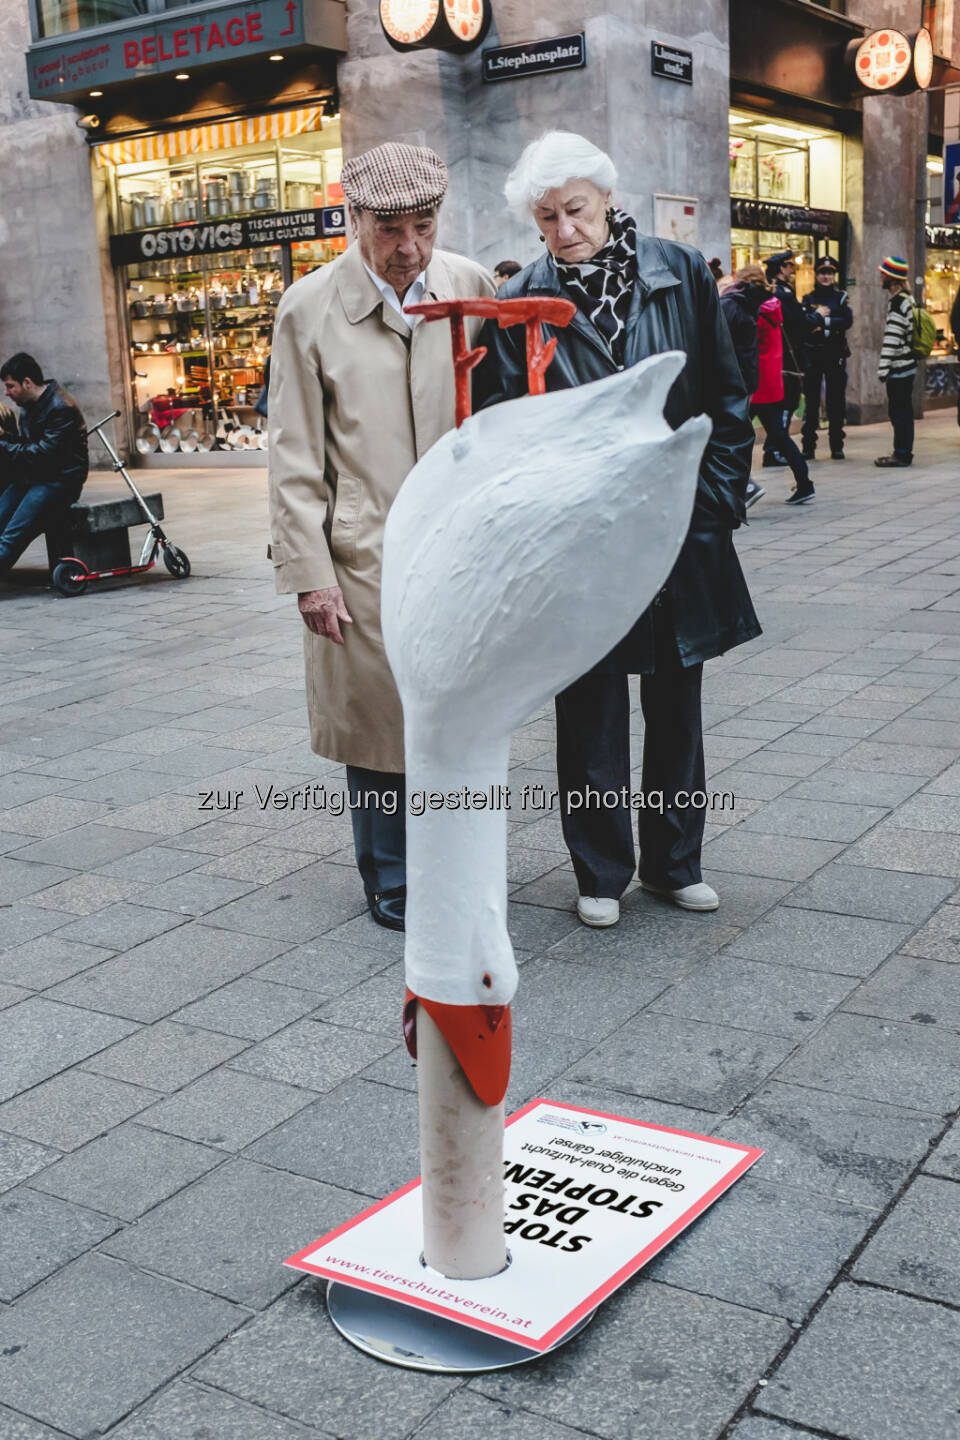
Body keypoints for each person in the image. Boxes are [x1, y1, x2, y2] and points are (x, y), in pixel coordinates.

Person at [473, 131, 760, 926]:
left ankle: (675, 863)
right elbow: (499, 422)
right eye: (546, 217)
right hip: (581, 540)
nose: (564, 229)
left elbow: (724, 398)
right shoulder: (521, 299)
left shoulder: (679, 274)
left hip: (676, 528)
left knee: (676, 703)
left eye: (575, 209)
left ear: (606, 198)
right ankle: (600, 872)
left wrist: (716, 503)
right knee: (590, 708)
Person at [267, 142, 495, 931]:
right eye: (390, 229)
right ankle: (390, 874)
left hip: (458, 543)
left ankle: (454, 855)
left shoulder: (469, 285)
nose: (409, 249)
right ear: (353, 217)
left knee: (456, 708)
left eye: (424, 227)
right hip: (364, 547)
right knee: (376, 718)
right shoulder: (307, 307)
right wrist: (308, 571)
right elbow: (293, 454)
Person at [0, 353, 88, 575]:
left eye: (10, 386)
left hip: (60, 482)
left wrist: (2, 443)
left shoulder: (60, 408)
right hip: (36, 477)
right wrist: (5, 437)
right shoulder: (30, 404)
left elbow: (41, 455)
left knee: (12, 536)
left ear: (27, 382)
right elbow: (27, 446)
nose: (6, 393)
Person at [753, 292, 814, 505]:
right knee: (779, 434)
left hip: (756, 382)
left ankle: (744, 487)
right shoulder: (775, 311)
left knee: (735, 435)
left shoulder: (756, 315)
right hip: (773, 381)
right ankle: (804, 483)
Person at [762, 250, 821, 469]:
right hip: (788, 360)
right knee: (786, 404)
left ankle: (774, 448)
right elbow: (798, 323)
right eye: (789, 266)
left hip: (777, 359)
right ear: (781, 269)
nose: (791, 270)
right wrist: (818, 317)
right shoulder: (783, 294)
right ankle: (774, 449)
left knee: (779, 405)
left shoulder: (770, 292)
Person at [720, 262, 771, 508]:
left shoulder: (731, 304)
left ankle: (745, 486)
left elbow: (718, 341)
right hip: (745, 379)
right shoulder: (750, 303)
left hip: (730, 380)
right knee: (734, 434)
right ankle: (743, 486)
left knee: (724, 436)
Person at [801, 256, 853, 461]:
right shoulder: (808, 298)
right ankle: (808, 447)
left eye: (830, 273)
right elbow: (804, 324)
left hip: (835, 355)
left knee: (835, 402)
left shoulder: (840, 298)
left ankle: (836, 446)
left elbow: (847, 321)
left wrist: (823, 321)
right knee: (811, 402)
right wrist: (825, 325)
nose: (826, 276)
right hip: (813, 355)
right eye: (823, 272)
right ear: (816, 274)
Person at [876, 255, 916, 468]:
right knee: (904, 412)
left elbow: (892, 340)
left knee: (898, 413)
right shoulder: (908, 298)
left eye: (883, 273)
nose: (880, 276)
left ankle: (901, 454)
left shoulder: (898, 303)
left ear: (892, 278)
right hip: (908, 367)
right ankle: (903, 452)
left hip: (899, 369)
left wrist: (883, 370)